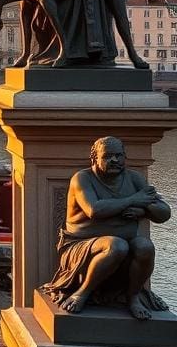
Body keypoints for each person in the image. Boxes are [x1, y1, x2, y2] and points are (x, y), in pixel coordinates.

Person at [42, 137, 171, 319]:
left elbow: (164, 213)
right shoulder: (82, 178)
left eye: (119, 156)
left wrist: (143, 210)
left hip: (126, 242)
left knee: (145, 247)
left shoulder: (134, 179)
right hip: (81, 245)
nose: (115, 161)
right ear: (94, 158)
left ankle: (133, 297)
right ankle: (83, 292)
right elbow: (94, 210)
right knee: (116, 246)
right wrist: (133, 200)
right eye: (108, 156)